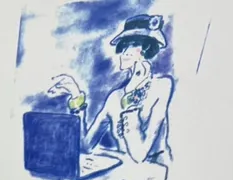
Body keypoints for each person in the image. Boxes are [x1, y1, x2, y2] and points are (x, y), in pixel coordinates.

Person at [47, 14, 173, 165]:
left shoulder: (162, 86)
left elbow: (139, 155)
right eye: (124, 46)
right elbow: (85, 145)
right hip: (125, 173)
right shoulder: (115, 98)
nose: (125, 52)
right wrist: (76, 97)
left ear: (148, 49)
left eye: (134, 45)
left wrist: (132, 99)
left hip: (156, 171)